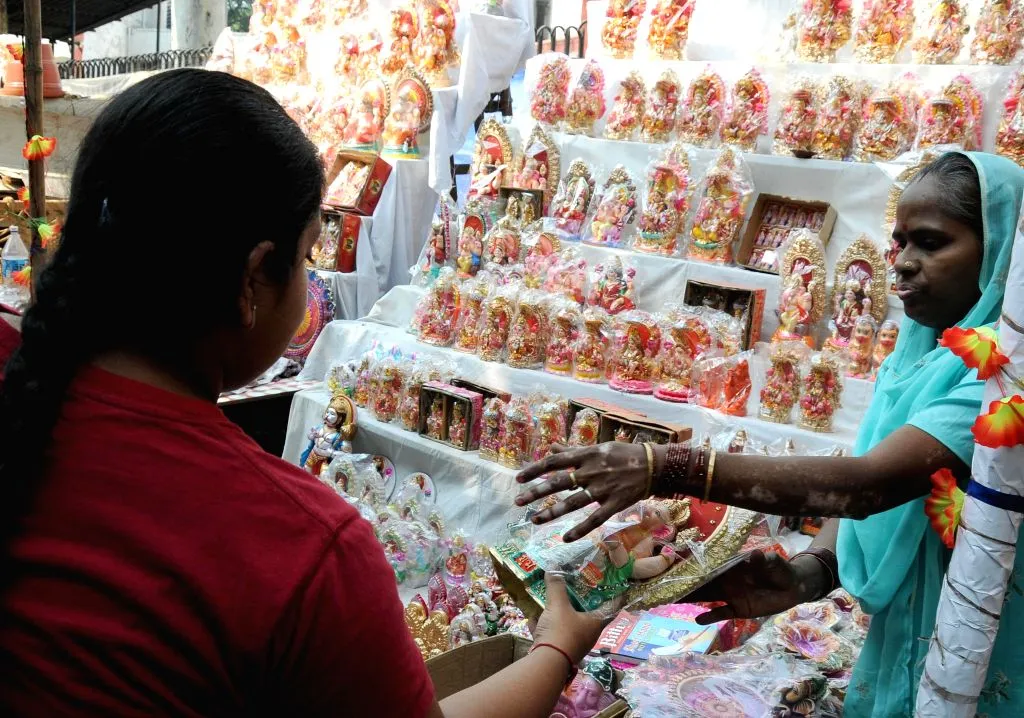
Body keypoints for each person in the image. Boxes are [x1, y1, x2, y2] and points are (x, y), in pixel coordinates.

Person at [0, 70, 604, 717]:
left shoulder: (30, 394)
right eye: (310, 253)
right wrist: (556, 650)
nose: (310, 280)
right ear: (255, 278)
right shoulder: (306, 550)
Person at [516, 151, 1024, 716]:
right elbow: (871, 474)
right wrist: (812, 574)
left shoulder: (1006, 374)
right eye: (900, 242)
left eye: (931, 243)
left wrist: (665, 467)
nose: (902, 263)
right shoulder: (921, 355)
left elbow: (869, 485)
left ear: (1003, 252)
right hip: (909, 628)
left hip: (984, 637)